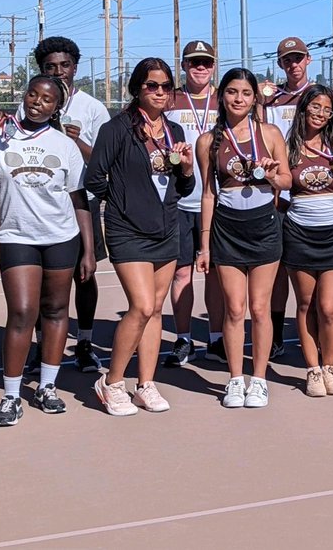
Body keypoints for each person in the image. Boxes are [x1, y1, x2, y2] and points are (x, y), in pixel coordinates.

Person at [0, 75, 95, 427]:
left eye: (47, 99)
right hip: (18, 238)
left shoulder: (64, 145)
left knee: (55, 310)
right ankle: (11, 394)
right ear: (25, 96)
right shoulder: (2, 138)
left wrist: (89, 250)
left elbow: (79, 200)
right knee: (21, 312)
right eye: (32, 94)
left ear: (56, 107)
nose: (37, 102)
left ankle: (47, 386)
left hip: (61, 237)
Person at [87, 58, 195, 415]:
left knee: (156, 310)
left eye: (166, 86)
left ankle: (145, 384)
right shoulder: (116, 128)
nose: (160, 92)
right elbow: (94, 179)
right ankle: (112, 381)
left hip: (166, 227)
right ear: (138, 88)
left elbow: (184, 185)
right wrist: (125, 204)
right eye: (152, 85)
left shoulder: (175, 132)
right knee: (142, 305)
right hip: (127, 230)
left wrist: (188, 168)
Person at [194, 68, 291, 408]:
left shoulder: (271, 132)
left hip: (264, 226)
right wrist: (204, 245)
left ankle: (259, 379)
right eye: (233, 92)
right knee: (234, 310)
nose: (239, 99)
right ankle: (235, 379)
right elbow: (208, 194)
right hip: (227, 229)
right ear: (222, 95)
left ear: (254, 98)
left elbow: (288, 181)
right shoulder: (208, 140)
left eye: (246, 93)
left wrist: (275, 174)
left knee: (260, 308)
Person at [29, 36, 110, 375]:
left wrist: (78, 141)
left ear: (75, 67)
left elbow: (105, 162)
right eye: (51, 67)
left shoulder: (92, 108)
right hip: (41, 205)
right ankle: (41, 347)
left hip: (81, 202)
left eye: (64, 66)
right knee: (42, 279)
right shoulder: (31, 104)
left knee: (84, 273)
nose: (59, 72)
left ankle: (86, 343)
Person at [282, 84, 333, 396]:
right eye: (315, 107)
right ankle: (313, 370)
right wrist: (297, 211)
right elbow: (278, 191)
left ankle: (330, 367)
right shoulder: (289, 148)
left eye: (327, 110)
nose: (320, 114)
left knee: (328, 307)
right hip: (299, 233)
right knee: (305, 304)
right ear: (304, 108)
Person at [165, 40, 226, 367]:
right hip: (179, 200)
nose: (200, 68)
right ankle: (183, 338)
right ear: (184, 65)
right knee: (182, 274)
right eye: (193, 63)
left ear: (214, 65)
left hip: (217, 202)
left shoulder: (225, 99)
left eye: (205, 62)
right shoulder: (171, 99)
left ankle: (215, 338)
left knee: (216, 273)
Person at [259, 36, 316, 360]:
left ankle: (318, 333)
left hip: (312, 196)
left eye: (298, 58)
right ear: (281, 64)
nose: (293, 64)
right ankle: (278, 335)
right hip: (278, 198)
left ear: (308, 60)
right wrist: (259, 101)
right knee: (278, 269)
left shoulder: (321, 97)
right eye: (286, 60)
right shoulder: (272, 100)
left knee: (314, 270)